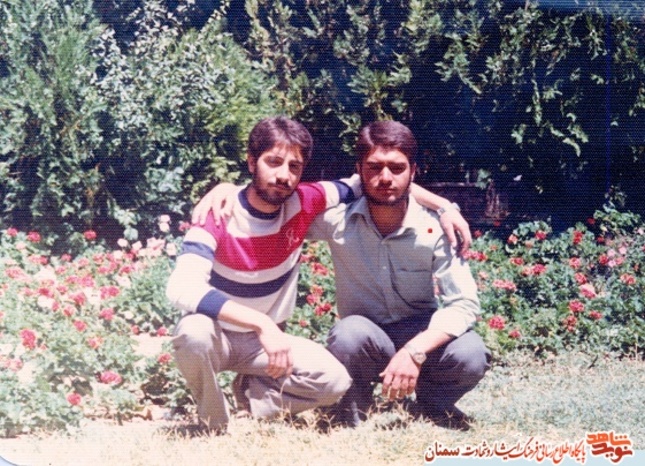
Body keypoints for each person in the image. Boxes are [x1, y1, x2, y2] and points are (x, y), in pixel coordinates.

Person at [176, 116, 471, 432]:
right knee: (193, 332)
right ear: (251, 162)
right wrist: (262, 323)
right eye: (273, 162)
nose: (283, 175)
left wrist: (444, 207)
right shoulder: (218, 212)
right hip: (218, 334)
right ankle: (213, 423)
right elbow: (182, 288)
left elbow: (377, 182)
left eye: (294, 166)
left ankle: (251, 400)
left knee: (334, 382)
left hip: (262, 345)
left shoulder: (304, 203)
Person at [306, 121, 491, 429]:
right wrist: (230, 192)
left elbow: (464, 304)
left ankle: (433, 404)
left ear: (413, 172)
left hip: (421, 334)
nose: (385, 178)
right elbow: (281, 208)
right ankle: (353, 407)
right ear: (359, 171)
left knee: (471, 353)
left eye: (397, 168)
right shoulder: (336, 221)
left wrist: (414, 351)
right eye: (374, 167)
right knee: (347, 335)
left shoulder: (436, 228)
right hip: (367, 337)